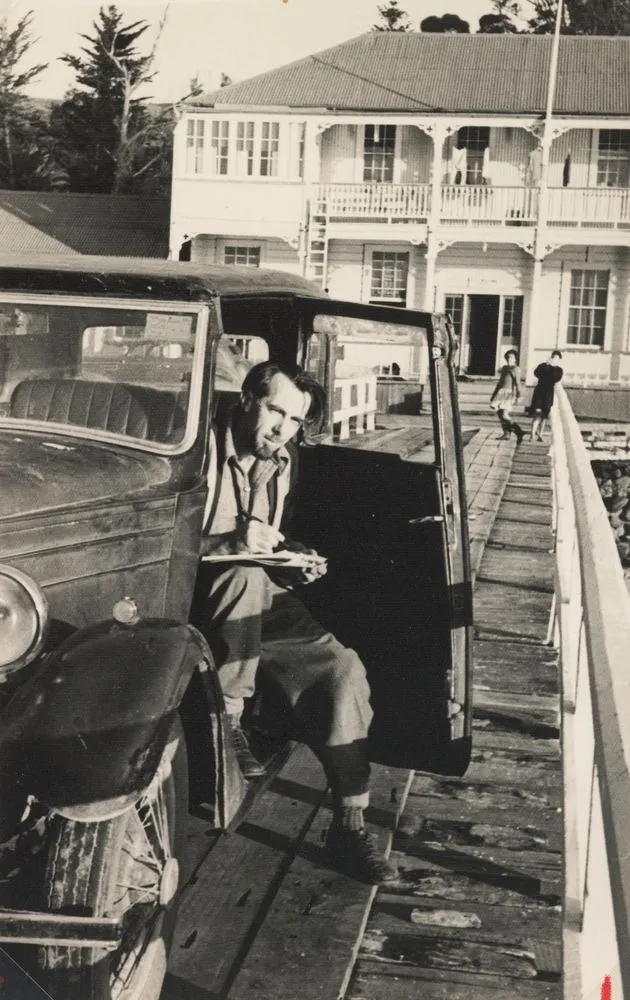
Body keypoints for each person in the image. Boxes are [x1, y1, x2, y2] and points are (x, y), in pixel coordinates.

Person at [195, 359, 398, 885]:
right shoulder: (197, 449)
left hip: (255, 596)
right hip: (189, 596)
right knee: (242, 575)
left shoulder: (281, 461)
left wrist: (293, 557)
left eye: (294, 420)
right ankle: (228, 723)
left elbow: (264, 542)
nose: (282, 429)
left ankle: (349, 825)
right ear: (246, 399)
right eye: (275, 411)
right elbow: (158, 541)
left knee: (341, 670)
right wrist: (228, 544)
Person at [490, 349, 525, 444]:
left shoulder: (516, 369)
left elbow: (518, 384)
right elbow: (500, 383)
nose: (509, 359)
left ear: (515, 359)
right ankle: (506, 434)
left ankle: (519, 432)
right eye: (508, 357)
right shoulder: (505, 368)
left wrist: (519, 396)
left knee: (505, 415)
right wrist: (494, 394)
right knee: (499, 413)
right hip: (501, 392)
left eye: (511, 357)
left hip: (509, 393)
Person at [530, 350, 563, 442]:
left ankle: (540, 434)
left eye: (557, 358)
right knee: (537, 414)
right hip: (539, 392)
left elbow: (556, 378)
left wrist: (553, 368)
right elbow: (536, 373)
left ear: (559, 360)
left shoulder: (558, 370)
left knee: (545, 415)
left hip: (548, 393)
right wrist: (547, 365)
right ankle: (532, 434)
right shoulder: (543, 366)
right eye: (553, 357)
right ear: (551, 357)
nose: (555, 359)